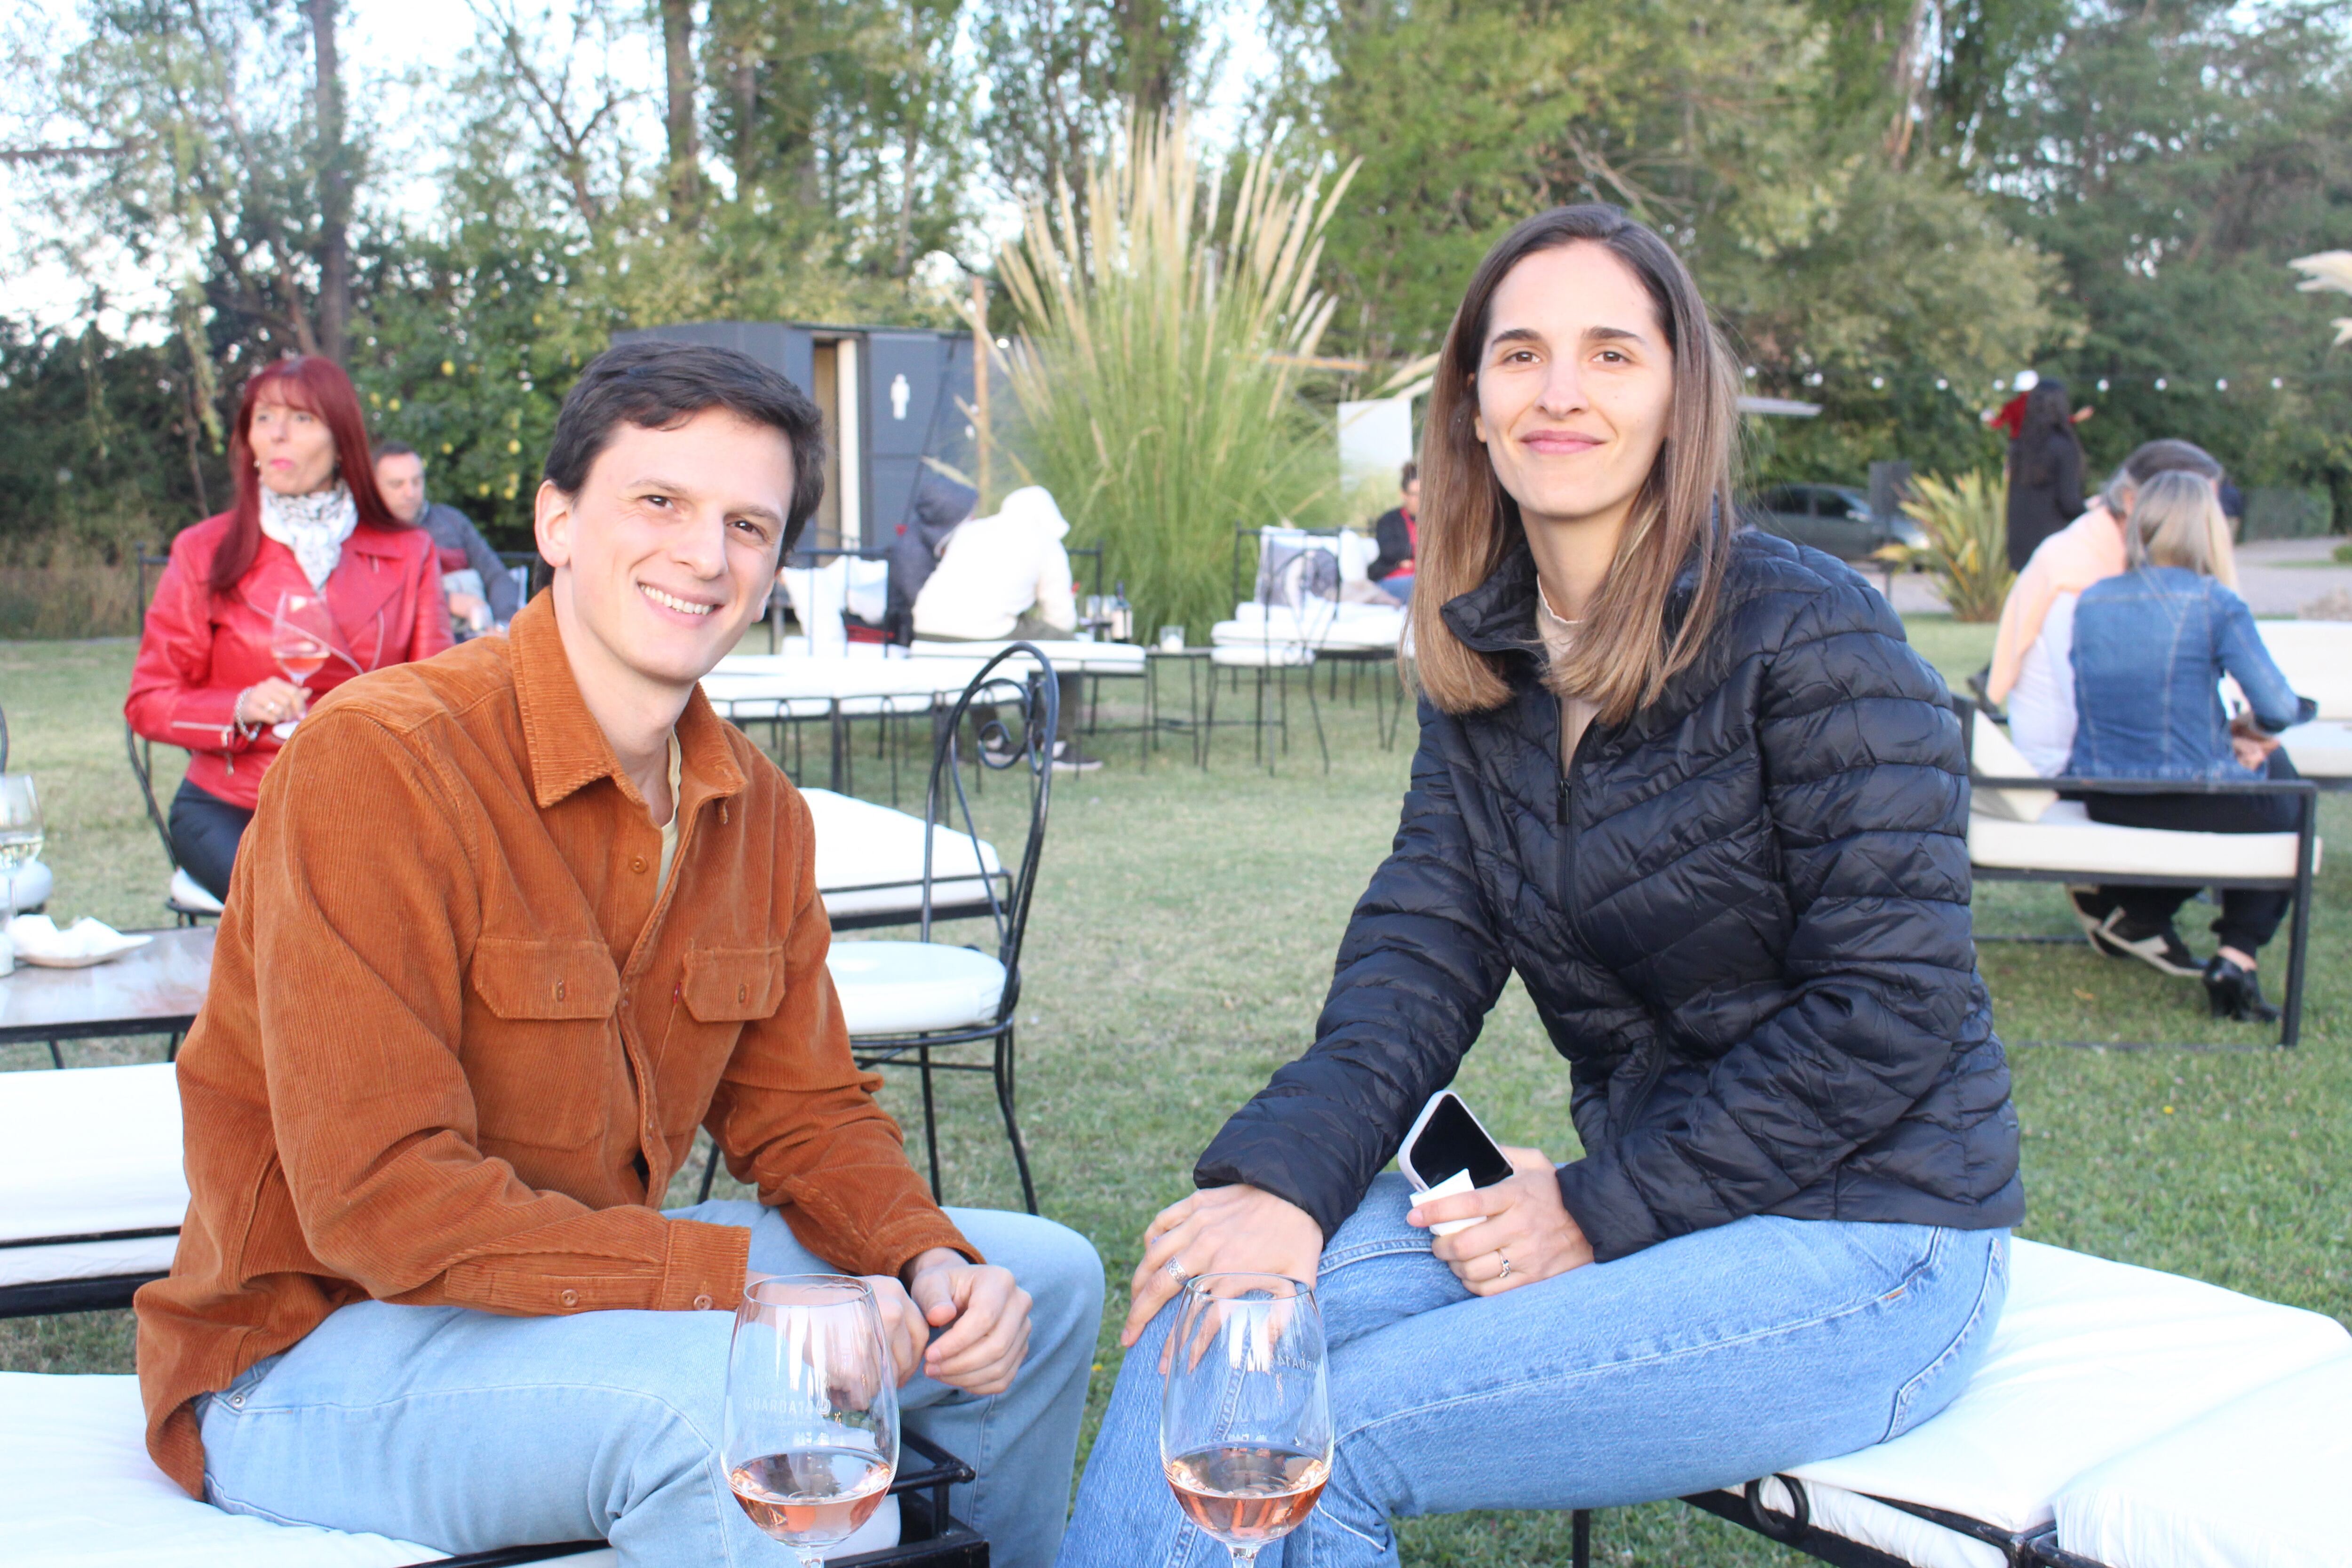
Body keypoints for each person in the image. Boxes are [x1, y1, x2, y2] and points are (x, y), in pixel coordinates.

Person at [1057, 205, 2020, 1568]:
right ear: (1472, 406)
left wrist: (1595, 1204)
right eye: (1520, 355)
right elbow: (1416, 959)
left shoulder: (1811, 630)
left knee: (1319, 1439)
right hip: (1662, 1193)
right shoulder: (1490, 662)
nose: (1560, 391)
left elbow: (1895, 1008)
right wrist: (1279, 1185)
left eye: (1612, 354)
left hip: (1875, 1237)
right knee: (1222, 1307)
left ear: (1681, 397)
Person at [134, 342, 1104, 1568]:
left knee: (1048, 1279)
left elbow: (804, 1115)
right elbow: (384, 1200)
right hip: (308, 1353)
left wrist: (927, 1255)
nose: (706, 554)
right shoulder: (379, 762)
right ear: (556, 520)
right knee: (719, 1402)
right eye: (661, 501)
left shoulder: (755, 809)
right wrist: (743, 1292)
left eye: (748, 524)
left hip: (566, 1299)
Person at [125, 357, 450, 902]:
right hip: (234, 804)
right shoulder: (203, 551)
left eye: (301, 419)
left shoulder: (409, 551)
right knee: (305, 909)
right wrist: (241, 705)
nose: (277, 433)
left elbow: (439, 697)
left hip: (369, 802)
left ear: (342, 440)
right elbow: (149, 701)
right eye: (264, 417)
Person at [2065, 470, 2312, 1020]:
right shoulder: (2213, 602)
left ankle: (2140, 912)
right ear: (2208, 530)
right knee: (2289, 796)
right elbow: (2276, 707)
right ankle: (2236, 955)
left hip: (2104, 794)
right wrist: (2249, 731)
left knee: (2253, 785)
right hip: (2183, 792)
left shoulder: (2092, 601)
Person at [1986, 439, 2227, 779]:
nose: (2208, 531)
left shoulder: (2115, 566)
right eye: (2194, 513)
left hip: (2118, 762)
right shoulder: (2075, 577)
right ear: (2131, 501)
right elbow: (2101, 712)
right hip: (2072, 769)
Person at [914, 485, 1093, 770]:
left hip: (926, 627)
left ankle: (994, 740)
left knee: (975, 662)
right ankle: (1055, 745)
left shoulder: (971, 532)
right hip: (982, 629)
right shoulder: (1046, 542)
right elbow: (1061, 617)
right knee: (1068, 650)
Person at [373, 441, 524, 637]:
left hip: (477, 643)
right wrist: (447, 601)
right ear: (374, 487)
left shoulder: (451, 521)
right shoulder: (367, 536)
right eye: (397, 484)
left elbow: (497, 576)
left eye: (417, 482)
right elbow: (377, 599)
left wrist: (504, 625)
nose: (410, 493)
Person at [886, 473, 980, 645]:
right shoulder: (911, 555)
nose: (974, 520)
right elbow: (923, 603)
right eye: (968, 517)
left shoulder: (934, 541)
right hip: (915, 635)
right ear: (949, 518)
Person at [2005, 378, 2084, 570]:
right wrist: (2092, 512)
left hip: (2020, 546)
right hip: (2052, 548)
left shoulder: (2019, 447)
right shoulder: (2063, 447)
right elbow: (2069, 504)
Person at [1367, 461, 1421, 604]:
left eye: (1423, 494)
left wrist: (1409, 560)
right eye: (1415, 494)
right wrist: (1413, 556)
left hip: (1420, 577)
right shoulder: (1389, 520)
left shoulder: (1431, 520)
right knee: (1421, 587)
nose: (1420, 500)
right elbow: (1389, 551)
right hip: (1392, 578)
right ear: (1404, 495)